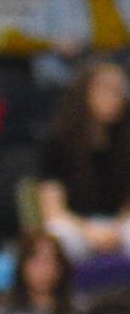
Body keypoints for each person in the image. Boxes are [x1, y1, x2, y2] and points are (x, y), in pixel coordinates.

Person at [37, 61, 130, 261]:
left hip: (118, 224)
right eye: (106, 89)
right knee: (60, 236)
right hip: (76, 223)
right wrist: (89, 231)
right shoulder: (58, 141)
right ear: (85, 92)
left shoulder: (126, 141)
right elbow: (53, 210)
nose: (115, 97)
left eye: (119, 90)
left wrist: (116, 228)